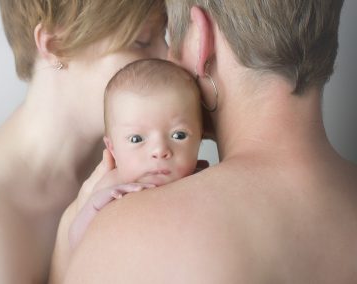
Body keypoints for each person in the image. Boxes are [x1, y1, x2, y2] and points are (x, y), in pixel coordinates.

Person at [53, 0, 357, 283]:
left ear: (201, 39)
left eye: (172, 37)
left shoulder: (129, 233)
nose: (168, 58)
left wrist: (70, 230)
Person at [0, 0, 167, 283]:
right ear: (55, 45)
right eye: (141, 41)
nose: (168, 59)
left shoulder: (128, 158)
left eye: (163, 36)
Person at [68, 58, 203, 249]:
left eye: (178, 135)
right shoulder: (112, 188)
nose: (160, 151)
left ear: (199, 138)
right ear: (112, 148)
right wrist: (93, 207)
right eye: (136, 139)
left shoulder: (202, 181)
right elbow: (75, 241)